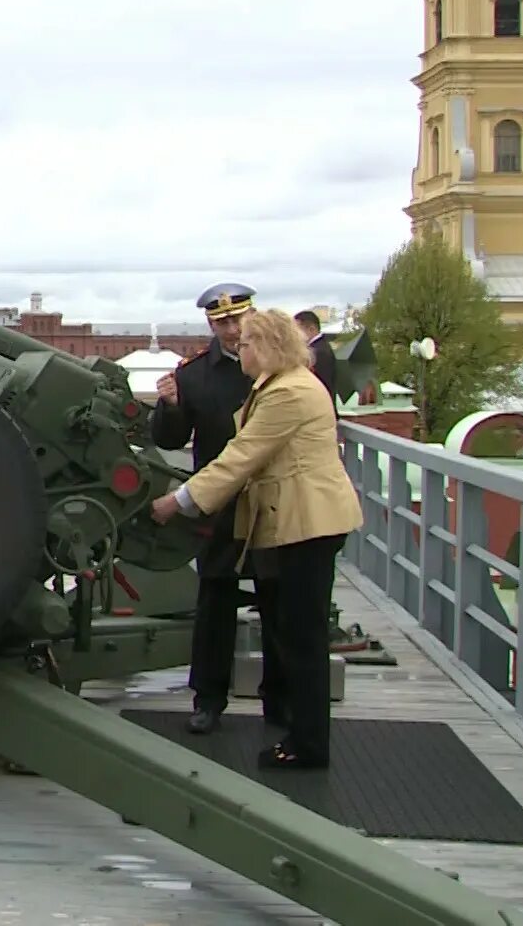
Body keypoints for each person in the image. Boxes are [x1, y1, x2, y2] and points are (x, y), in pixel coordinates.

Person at [151, 308, 365, 769]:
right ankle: (300, 735)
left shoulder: (287, 392)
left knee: (302, 638)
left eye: (246, 342)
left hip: (307, 524)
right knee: (293, 632)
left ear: (266, 347)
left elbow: (241, 458)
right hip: (295, 522)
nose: (238, 348)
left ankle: (307, 745)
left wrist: (177, 503)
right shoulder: (284, 383)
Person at [149, 281, 264, 734]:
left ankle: (281, 697)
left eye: (237, 320)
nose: (232, 330)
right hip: (220, 503)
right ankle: (208, 699)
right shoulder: (194, 375)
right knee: (215, 601)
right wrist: (170, 406)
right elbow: (169, 440)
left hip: (273, 500)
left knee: (277, 599)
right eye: (222, 322)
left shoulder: (276, 367)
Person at [295, 310, 338, 405]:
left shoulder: (318, 351)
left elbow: (322, 384)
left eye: (296, 331)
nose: (294, 335)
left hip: (321, 407)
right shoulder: (318, 348)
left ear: (311, 329)